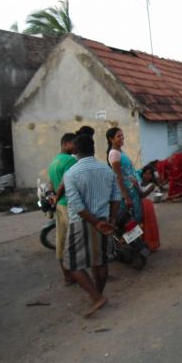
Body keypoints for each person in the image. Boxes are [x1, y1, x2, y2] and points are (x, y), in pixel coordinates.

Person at [63, 134, 121, 317]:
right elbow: (116, 197)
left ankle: (97, 297)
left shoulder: (71, 174)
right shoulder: (106, 170)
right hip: (104, 219)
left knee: (72, 263)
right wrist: (111, 220)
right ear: (93, 149)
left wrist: (96, 223)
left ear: (75, 150)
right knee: (101, 260)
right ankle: (98, 294)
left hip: (81, 222)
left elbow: (77, 205)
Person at [48, 133, 77, 285]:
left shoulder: (54, 161)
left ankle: (67, 276)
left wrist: (54, 199)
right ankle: (78, 274)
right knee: (75, 239)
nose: (76, 147)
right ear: (65, 144)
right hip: (68, 203)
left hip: (60, 204)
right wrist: (57, 198)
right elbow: (64, 183)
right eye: (73, 143)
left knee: (61, 238)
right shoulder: (71, 160)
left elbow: (51, 184)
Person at [106, 128, 142, 225]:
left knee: (137, 218)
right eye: (118, 136)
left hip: (132, 189)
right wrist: (126, 197)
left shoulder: (120, 152)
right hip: (127, 191)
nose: (122, 138)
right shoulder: (114, 154)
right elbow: (118, 177)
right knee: (131, 220)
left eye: (122, 135)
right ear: (111, 139)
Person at [133, 165, 161, 251]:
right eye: (145, 173)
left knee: (148, 225)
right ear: (142, 174)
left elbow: (143, 195)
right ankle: (142, 244)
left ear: (152, 176)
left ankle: (151, 244)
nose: (147, 175)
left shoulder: (152, 185)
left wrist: (136, 186)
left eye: (149, 174)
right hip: (139, 205)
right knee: (140, 224)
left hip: (148, 207)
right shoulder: (139, 183)